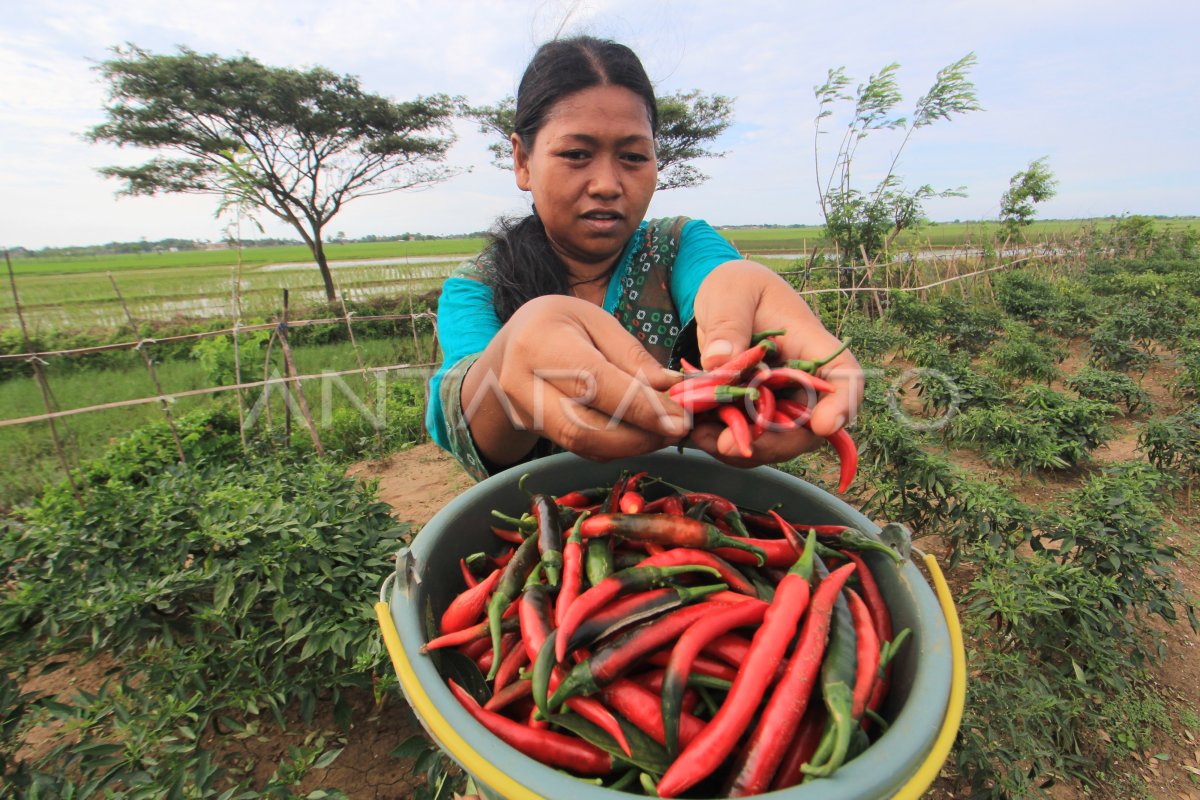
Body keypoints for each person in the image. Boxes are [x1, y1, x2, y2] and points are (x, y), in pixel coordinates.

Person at [427, 35, 863, 481]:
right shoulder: (479, 286)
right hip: (547, 522)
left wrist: (742, 285)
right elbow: (472, 420)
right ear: (522, 161)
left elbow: (721, 279)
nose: (607, 184)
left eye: (634, 156)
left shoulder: (679, 244)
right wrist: (506, 361)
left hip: (697, 503)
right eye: (576, 154)